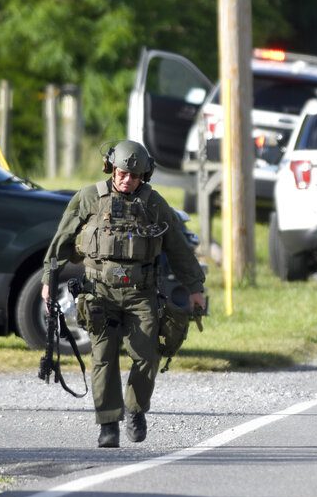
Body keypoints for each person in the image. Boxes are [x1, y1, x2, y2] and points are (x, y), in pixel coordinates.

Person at [41, 140, 207, 448]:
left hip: (141, 292)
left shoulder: (154, 204)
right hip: (99, 292)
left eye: (134, 176)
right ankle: (108, 424)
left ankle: (134, 409)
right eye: (121, 173)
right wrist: (48, 279)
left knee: (146, 356)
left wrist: (195, 288)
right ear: (110, 168)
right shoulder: (89, 198)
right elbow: (61, 241)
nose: (126, 180)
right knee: (103, 359)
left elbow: (178, 248)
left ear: (144, 176)